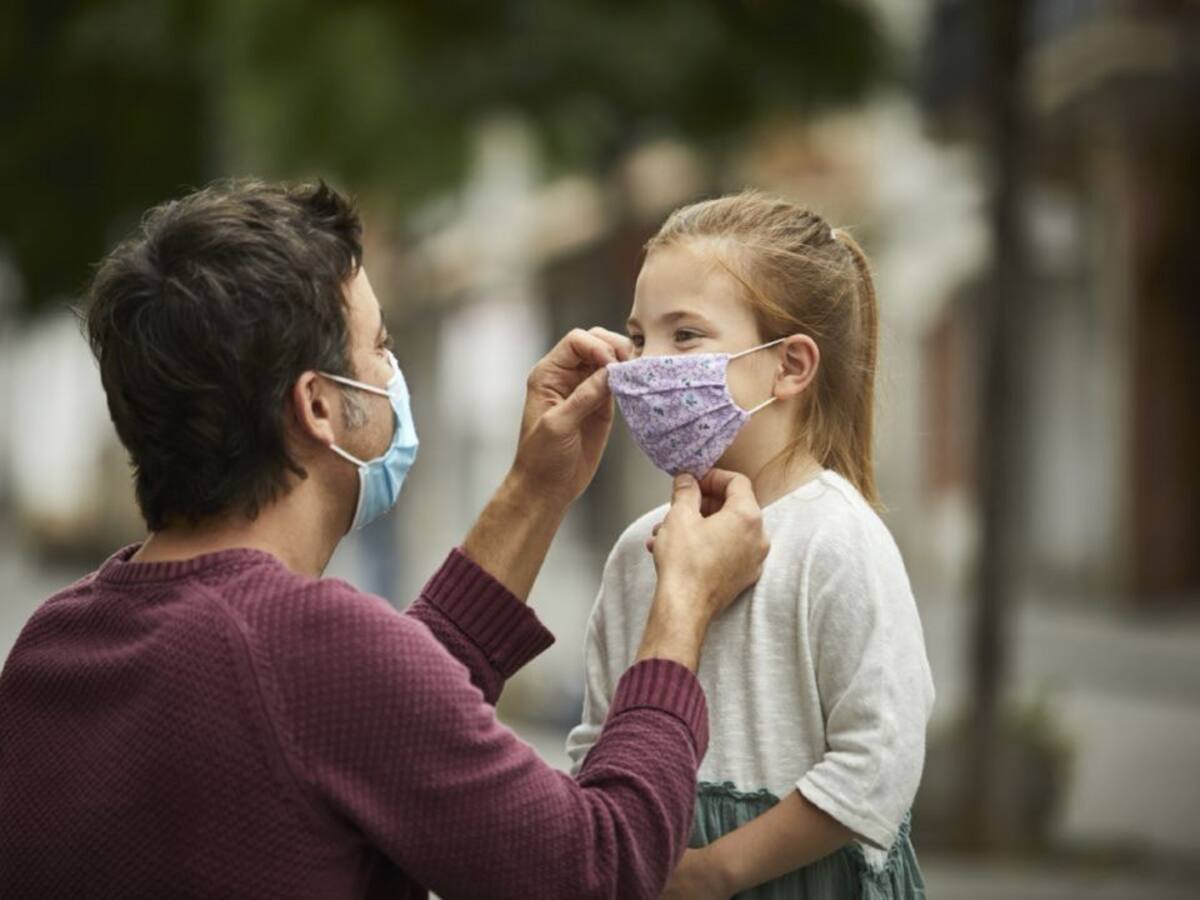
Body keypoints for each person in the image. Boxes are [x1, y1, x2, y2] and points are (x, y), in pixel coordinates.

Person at [0, 180, 771, 899]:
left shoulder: (55, 643)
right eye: (380, 345)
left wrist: (536, 489)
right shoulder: (306, 647)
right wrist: (682, 610)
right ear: (320, 406)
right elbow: (601, 864)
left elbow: (372, 715)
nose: (393, 369)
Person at [566, 192, 935, 898]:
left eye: (686, 336)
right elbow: (594, 746)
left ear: (790, 366)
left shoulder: (840, 540)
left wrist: (716, 871)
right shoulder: (637, 550)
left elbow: (879, 761)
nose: (646, 366)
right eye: (638, 337)